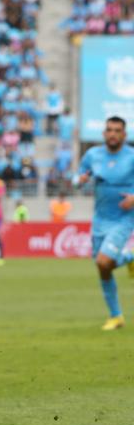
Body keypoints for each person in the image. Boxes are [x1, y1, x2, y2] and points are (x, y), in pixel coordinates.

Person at [75, 116, 134, 331]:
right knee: (103, 268)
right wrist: (79, 181)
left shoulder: (131, 156)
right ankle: (116, 316)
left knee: (103, 261)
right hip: (100, 219)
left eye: (117, 130)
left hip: (123, 219)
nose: (113, 134)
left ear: (124, 135)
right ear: (103, 133)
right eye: (109, 130)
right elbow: (76, 178)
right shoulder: (93, 155)